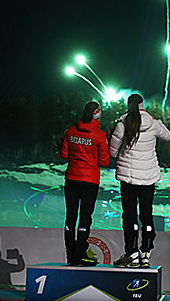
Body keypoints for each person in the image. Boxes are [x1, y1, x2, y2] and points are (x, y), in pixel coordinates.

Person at [109, 93, 170, 268]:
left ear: (128, 105)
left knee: (130, 216)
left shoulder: (122, 124)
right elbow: (168, 136)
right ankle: (146, 252)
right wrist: (157, 122)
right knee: (146, 215)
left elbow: (113, 153)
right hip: (148, 178)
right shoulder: (153, 124)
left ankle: (132, 253)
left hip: (128, 179)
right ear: (143, 105)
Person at [60, 101, 109, 266]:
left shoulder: (70, 131)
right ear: (96, 113)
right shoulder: (99, 135)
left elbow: (64, 153)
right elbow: (104, 161)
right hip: (90, 180)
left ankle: (70, 255)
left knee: (70, 217)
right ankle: (79, 255)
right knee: (85, 218)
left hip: (71, 178)